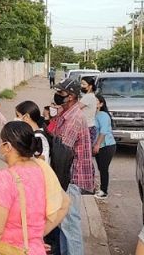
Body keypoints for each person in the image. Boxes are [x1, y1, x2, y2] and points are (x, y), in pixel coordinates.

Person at [0, 122, 69, 255]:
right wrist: (33, 237)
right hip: (32, 250)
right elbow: (64, 203)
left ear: (7, 146)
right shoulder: (42, 169)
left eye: (1, 142)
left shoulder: (6, 179)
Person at [51, 79, 94, 255]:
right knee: (64, 223)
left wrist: (57, 183)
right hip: (66, 176)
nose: (57, 96)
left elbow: (62, 150)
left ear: (71, 96)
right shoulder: (66, 114)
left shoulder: (74, 118)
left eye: (61, 93)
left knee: (70, 224)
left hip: (70, 177)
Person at [92, 95, 116, 200]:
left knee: (103, 168)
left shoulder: (103, 115)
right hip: (98, 146)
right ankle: (101, 189)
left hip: (106, 146)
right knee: (100, 168)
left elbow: (103, 131)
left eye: (96, 101)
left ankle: (104, 191)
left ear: (101, 104)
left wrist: (97, 144)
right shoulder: (93, 115)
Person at [79, 76, 98, 143]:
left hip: (87, 128)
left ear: (90, 86)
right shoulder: (91, 96)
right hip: (89, 126)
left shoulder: (88, 97)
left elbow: (76, 108)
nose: (81, 86)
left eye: (84, 84)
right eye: (81, 84)